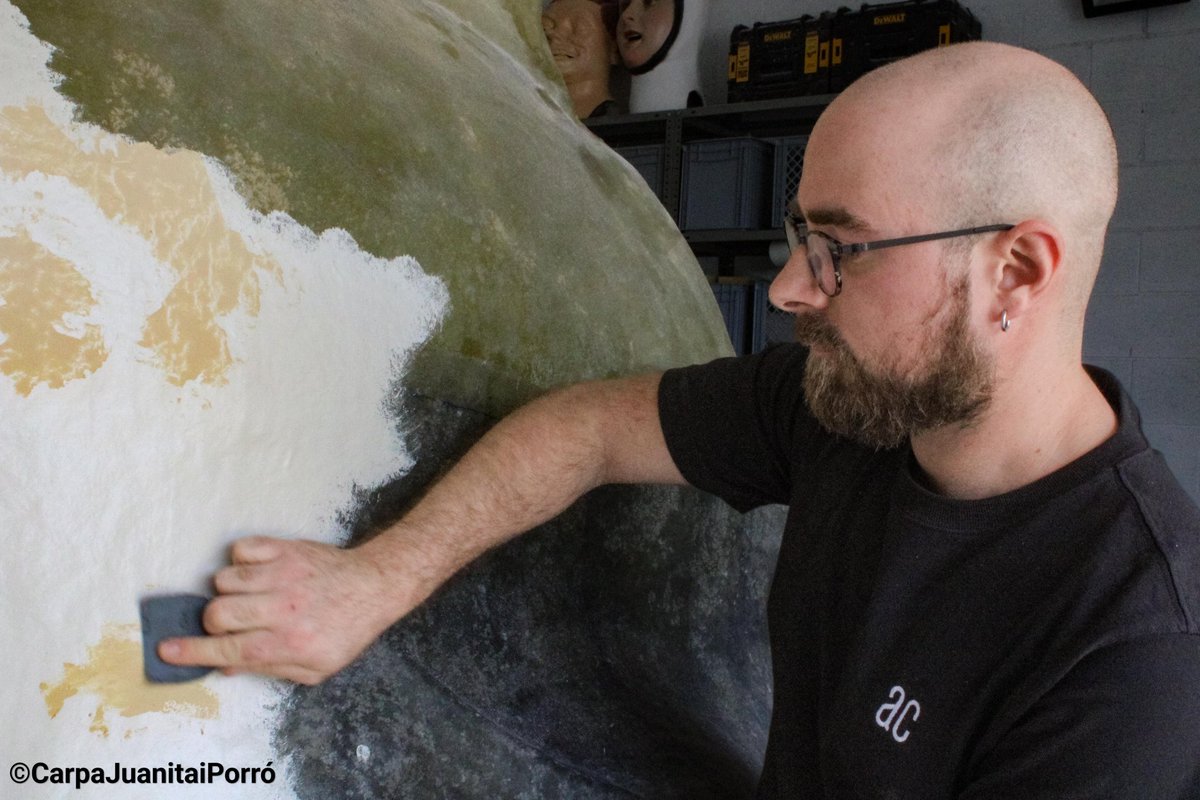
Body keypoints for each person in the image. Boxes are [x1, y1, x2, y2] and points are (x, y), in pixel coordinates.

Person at [161, 41, 1200, 797]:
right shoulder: (849, 409)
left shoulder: (1131, 647)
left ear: (1014, 270)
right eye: (801, 233)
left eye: (843, 247)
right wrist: (371, 581)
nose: (793, 286)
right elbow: (592, 427)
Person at [542, 0, 620, 119]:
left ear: (614, 50)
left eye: (579, 27)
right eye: (545, 28)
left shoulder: (614, 124)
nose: (554, 35)